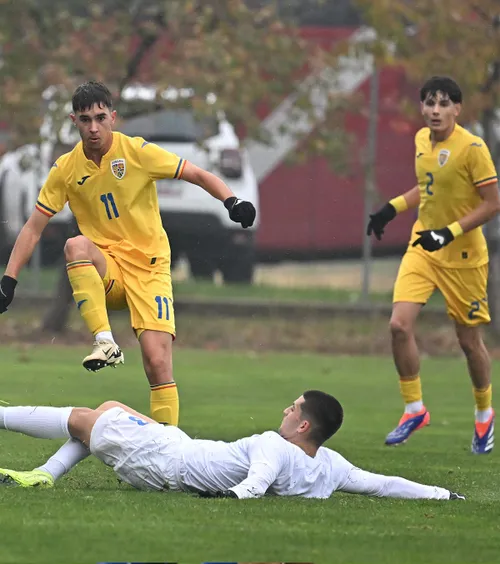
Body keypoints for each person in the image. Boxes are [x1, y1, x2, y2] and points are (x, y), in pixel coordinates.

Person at [0, 81, 256, 427]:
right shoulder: (65, 169)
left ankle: (169, 451)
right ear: (74, 121)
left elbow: (194, 172)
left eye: (100, 118)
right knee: (75, 245)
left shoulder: (137, 152)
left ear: (113, 118)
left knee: (157, 362)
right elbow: (33, 227)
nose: (94, 127)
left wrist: (231, 201)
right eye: (86, 119)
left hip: (150, 271)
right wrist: (9, 278)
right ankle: (104, 341)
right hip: (109, 272)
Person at [0, 390, 464, 501]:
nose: (286, 410)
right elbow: (382, 484)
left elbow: (256, 482)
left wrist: (235, 496)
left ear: (303, 426)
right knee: (109, 405)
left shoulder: (273, 445)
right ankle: (46, 473)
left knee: (84, 420)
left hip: (166, 462)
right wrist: (442, 493)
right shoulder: (330, 464)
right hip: (178, 446)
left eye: (293, 408)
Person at [367, 76, 499, 454]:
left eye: (444, 104)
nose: (436, 110)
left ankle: (484, 413)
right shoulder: (421, 141)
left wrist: (449, 232)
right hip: (423, 246)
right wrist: (391, 208)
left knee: (469, 342)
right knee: (398, 325)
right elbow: (427, 190)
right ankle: (414, 408)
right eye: (430, 103)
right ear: (422, 108)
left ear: (458, 108)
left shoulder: (473, 148)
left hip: (464, 258)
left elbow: (492, 203)